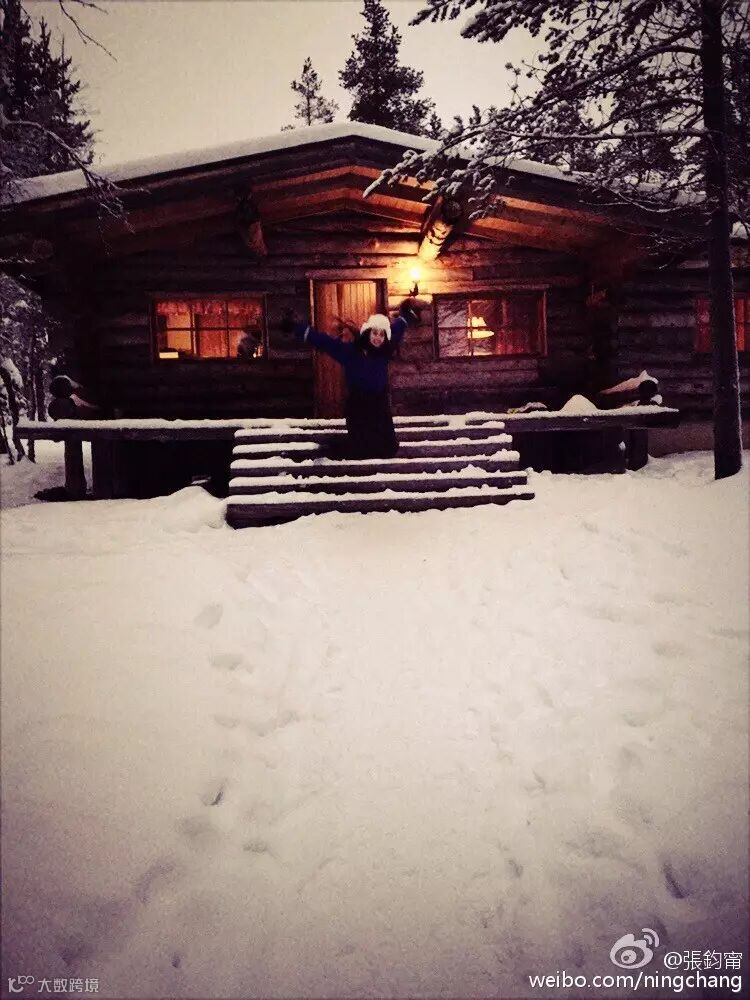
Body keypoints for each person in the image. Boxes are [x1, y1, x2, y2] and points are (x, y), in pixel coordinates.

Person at [294, 300, 420, 459]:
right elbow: (327, 343)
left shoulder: (384, 351)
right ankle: (329, 448)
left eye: (382, 335)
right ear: (368, 332)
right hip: (358, 406)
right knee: (361, 450)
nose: (378, 338)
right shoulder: (352, 352)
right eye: (375, 333)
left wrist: (405, 317)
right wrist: (300, 328)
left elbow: (396, 330)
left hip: (379, 406)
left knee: (389, 448)